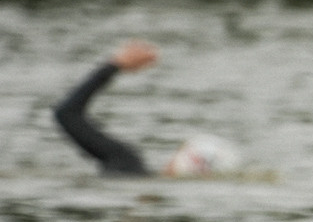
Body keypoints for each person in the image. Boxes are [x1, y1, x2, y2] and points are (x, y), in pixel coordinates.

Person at [53, 40, 241, 177]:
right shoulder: (131, 169)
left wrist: (113, 66)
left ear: (180, 156)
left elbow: (66, 113)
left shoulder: (127, 164)